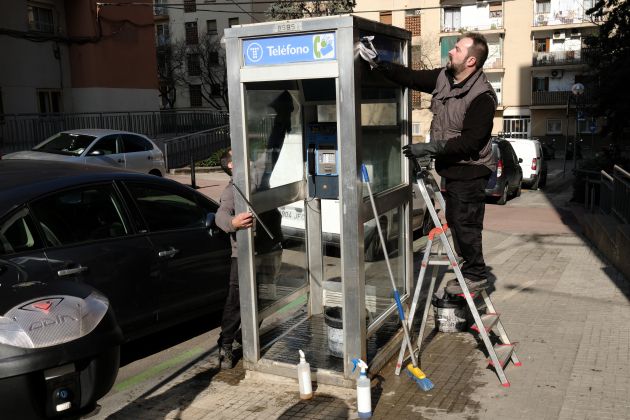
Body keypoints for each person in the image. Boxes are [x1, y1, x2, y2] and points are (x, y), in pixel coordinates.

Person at [359, 33, 497, 295]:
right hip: (451, 166)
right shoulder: (444, 78)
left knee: (464, 221)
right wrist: (379, 62)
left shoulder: (483, 97)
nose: (450, 52)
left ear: (470, 61)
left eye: (456, 49)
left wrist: (428, 148)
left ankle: (476, 274)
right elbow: (410, 77)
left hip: (472, 168)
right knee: (456, 219)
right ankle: (471, 268)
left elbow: (470, 143)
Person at [215, 149, 253, 369]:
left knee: (262, 297)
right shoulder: (231, 191)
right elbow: (221, 216)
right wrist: (234, 223)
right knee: (235, 302)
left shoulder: (253, 180)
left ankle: (245, 335)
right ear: (231, 165)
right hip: (242, 255)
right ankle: (226, 343)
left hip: (264, 251)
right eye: (238, 154)